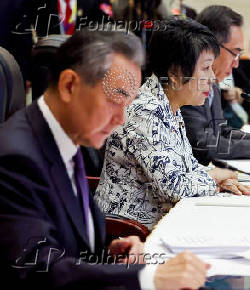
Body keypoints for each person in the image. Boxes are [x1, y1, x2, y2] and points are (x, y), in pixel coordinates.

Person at [0, 30, 210, 290]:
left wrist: (110, 254)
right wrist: (145, 278)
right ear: (69, 85)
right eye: (114, 99)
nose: (122, 118)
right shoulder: (16, 159)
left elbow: (69, 245)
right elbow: (37, 270)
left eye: (128, 102)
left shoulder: (66, 136)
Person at [95, 18, 250, 231]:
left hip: (166, 221)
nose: (212, 78)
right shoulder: (145, 111)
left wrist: (216, 179)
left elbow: (186, 168)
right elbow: (176, 188)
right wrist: (215, 176)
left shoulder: (168, 105)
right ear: (176, 73)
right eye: (206, 68)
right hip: (131, 234)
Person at [180, 5, 250, 166]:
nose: (236, 64)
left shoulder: (213, 80)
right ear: (211, 46)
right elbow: (204, 145)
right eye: (235, 53)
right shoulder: (187, 82)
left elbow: (221, 130)